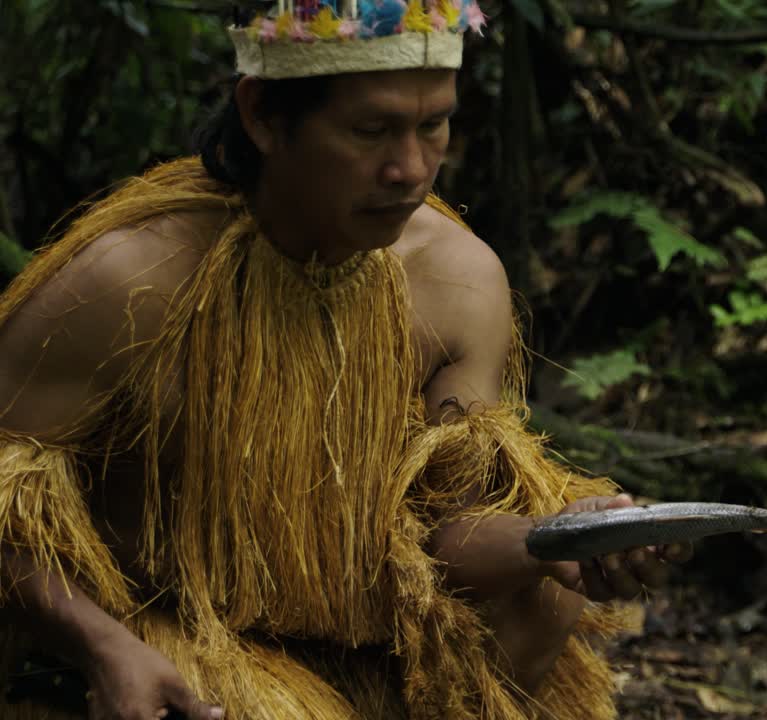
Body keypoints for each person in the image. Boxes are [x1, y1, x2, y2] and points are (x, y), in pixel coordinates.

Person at [0, 1, 688, 717]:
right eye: (371, 131)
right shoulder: (129, 281)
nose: (411, 170)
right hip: (174, 644)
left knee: (541, 598)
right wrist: (105, 648)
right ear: (264, 114)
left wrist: (563, 540)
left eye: (434, 126)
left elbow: (448, 533)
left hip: (372, 658)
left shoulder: (457, 279)